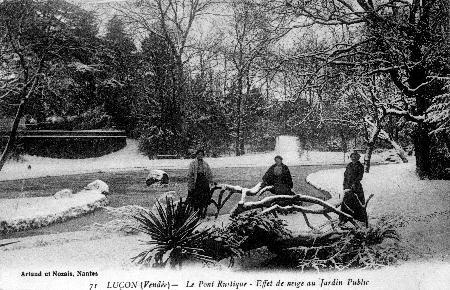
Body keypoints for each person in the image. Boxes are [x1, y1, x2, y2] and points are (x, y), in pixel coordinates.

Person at [340, 151, 368, 226]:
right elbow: (345, 176)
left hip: (356, 187)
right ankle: (344, 219)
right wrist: (345, 185)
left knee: (358, 202)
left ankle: (360, 220)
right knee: (345, 202)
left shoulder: (360, 166)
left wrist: (354, 184)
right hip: (348, 187)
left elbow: (360, 177)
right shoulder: (349, 165)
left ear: (358, 158)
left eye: (355, 157)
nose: (354, 158)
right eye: (352, 157)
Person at [187, 149, 213, 217]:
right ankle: (195, 212)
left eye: (201, 155)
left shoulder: (205, 163)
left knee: (204, 197)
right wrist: (191, 184)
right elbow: (190, 174)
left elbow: (209, 173)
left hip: (203, 180)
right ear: (196, 155)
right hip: (197, 181)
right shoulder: (193, 163)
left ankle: (202, 211)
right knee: (196, 197)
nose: (200, 156)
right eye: (199, 154)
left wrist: (211, 181)